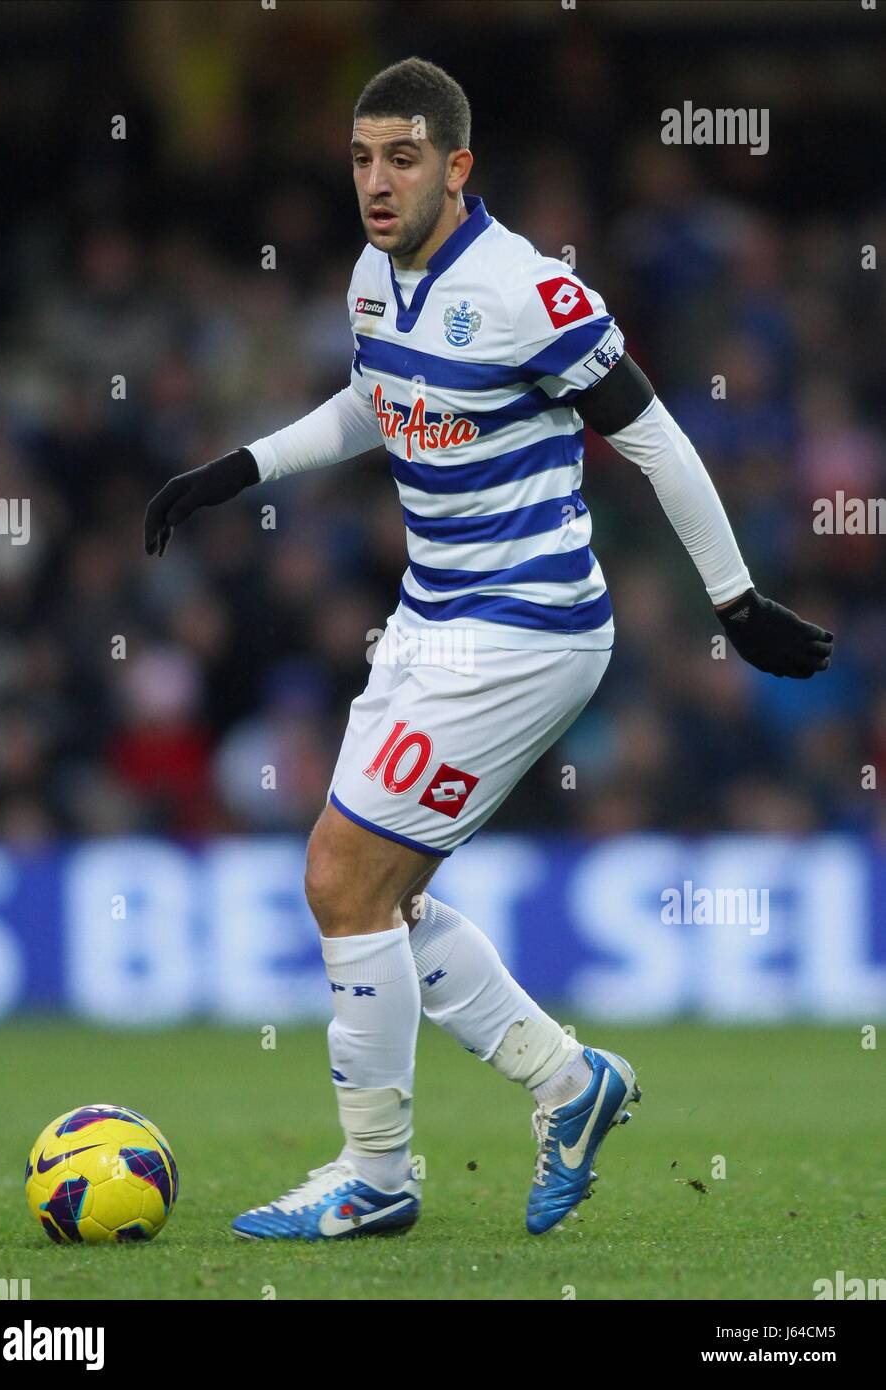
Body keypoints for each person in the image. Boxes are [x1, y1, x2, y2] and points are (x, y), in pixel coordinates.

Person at [145, 58, 833, 1241]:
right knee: (384, 901)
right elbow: (380, 400)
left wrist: (734, 601)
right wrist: (238, 469)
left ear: (457, 167)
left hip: (526, 628)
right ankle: (570, 1083)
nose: (376, 180)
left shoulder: (529, 293)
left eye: (402, 157)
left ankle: (378, 1172)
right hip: (431, 618)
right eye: (361, 157)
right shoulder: (374, 276)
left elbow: (657, 438)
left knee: (337, 875)